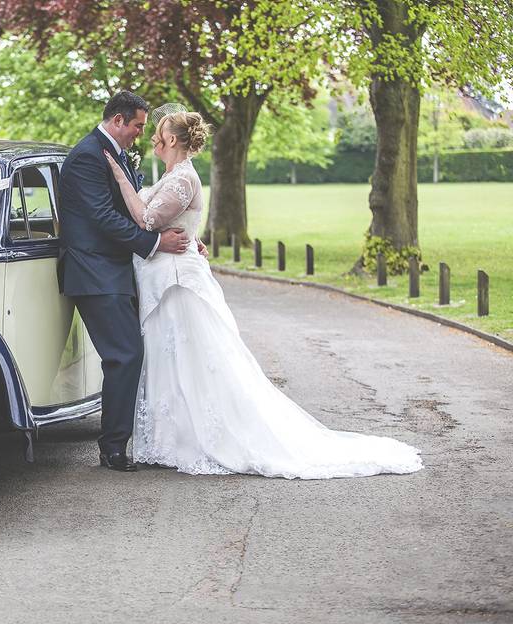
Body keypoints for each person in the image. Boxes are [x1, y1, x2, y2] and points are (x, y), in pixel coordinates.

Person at [102, 105, 424, 478]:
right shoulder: (175, 176)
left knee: (191, 359)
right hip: (166, 276)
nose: (154, 140)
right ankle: (170, 438)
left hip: (177, 282)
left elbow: (147, 218)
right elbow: (169, 219)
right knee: (170, 359)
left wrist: (120, 178)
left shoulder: (181, 178)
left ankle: (198, 438)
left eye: (157, 134)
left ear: (172, 140)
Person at [57, 91, 206, 472]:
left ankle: (127, 439)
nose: (142, 133)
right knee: (125, 355)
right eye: (138, 125)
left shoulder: (114, 153)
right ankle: (113, 448)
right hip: (94, 271)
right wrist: (156, 242)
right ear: (119, 120)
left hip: (119, 269)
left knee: (133, 353)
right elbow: (104, 216)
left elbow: (142, 207)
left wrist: (182, 235)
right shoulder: (87, 156)